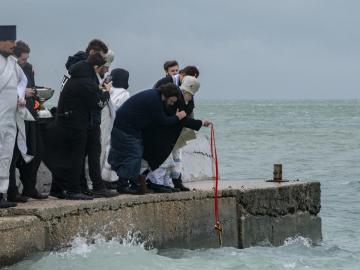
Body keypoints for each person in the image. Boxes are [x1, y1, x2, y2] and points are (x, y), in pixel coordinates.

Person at [44, 53, 111, 200]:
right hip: (76, 126)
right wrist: (106, 93)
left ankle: (59, 189)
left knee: (69, 158)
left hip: (67, 122)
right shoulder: (85, 81)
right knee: (76, 159)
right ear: (95, 67)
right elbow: (98, 104)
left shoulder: (77, 77)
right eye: (101, 68)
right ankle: (74, 190)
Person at [108, 83, 187, 194]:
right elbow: (162, 121)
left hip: (127, 127)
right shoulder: (154, 100)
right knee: (134, 154)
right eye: (172, 101)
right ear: (167, 95)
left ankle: (132, 183)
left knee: (134, 153)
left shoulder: (154, 95)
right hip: (125, 128)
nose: (172, 104)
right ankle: (123, 185)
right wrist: (177, 117)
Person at [143, 76, 211, 192]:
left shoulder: (179, 98)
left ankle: (163, 184)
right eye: (191, 95)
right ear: (186, 91)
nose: (191, 97)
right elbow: (182, 120)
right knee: (162, 160)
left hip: (167, 133)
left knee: (169, 161)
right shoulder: (178, 100)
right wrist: (201, 123)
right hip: (162, 133)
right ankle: (156, 183)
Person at [7, 40, 48, 202]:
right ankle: (12, 191)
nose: (26, 62)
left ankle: (29, 188)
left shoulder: (28, 68)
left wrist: (38, 90)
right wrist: (25, 92)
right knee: (14, 155)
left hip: (30, 114)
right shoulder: (7, 69)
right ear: (14, 57)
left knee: (35, 152)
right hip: (14, 115)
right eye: (23, 59)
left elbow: (29, 87)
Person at [0, 25, 33, 208]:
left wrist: (20, 96)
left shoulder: (13, 63)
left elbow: (23, 81)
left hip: (10, 119)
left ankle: (1, 193)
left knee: (5, 157)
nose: (14, 44)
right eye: (10, 41)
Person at [100, 68, 130, 188]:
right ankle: (109, 180)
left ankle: (101, 179)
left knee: (103, 150)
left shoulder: (107, 89)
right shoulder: (124, 93)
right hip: (116, 126)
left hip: (103, 124)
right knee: (111, 151)